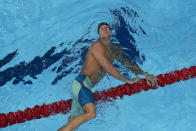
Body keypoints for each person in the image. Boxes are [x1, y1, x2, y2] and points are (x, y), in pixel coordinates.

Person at [57, 22, 158, 131]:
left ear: (111, 31)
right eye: (101, 29)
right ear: (99, 34)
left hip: (83, 87)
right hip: (81, 84)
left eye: (107, 28)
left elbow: (128, 64)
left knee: (71, 125)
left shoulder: (115, 50)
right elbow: (109, 69)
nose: (105, 29)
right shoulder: (96, 46)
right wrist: (128, 81)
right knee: (91, 113)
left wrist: (145, 74)